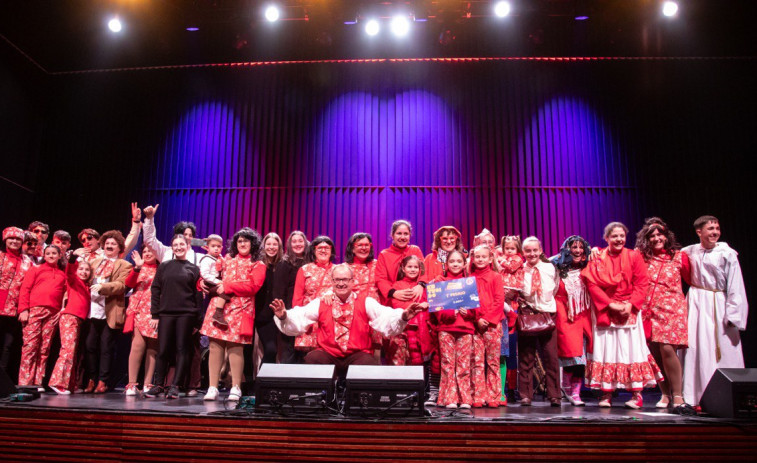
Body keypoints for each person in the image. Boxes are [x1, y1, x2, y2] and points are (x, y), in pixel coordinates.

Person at [271, 264, 427, 377]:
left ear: (353, 281)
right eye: (337, 280)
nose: (341, 283)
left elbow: (385, 316)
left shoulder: (366, 302)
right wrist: (284, 315)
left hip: (356, 354)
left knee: (369, 364)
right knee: (312, 359)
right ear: (332, 282)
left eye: (345, 279)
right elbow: (301, 315)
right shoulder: (322, 302)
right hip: (329, 354)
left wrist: (403, 316)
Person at [583, 222, 660, 409]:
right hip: (606, 308)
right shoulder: (598, 257)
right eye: (614, 236)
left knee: (631, 350)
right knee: (606, 349)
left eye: (622, 236)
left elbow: (642, 283)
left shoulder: (634, 256)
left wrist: (630, 305)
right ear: (606, 238)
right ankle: (606, 393)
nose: (618, 239)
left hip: (629, 309)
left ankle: (636, 394)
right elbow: (592, 284)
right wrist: (610, 304)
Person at [680, 215, 748, 407]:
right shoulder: (690, 251)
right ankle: (696, 396)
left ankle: (730, 397)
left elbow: (736, 286)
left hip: (718, 302)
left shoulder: (727, 254)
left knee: (724, 348)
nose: (715, 232)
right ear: (699, 232)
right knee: (696, 347)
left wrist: (734, 315)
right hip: (696, 302)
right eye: (710, 229)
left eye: (717, 228)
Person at [200, 228, 265, 402]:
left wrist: (229, 287)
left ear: (253, 243)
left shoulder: (258, 264)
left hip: (241, 309)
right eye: (239, 241)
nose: (242, 244)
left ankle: (236, 386)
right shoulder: (226, 259)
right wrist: (201, 282)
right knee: (215, 347)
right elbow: (211, 274)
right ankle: (212, 387)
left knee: (236, 348)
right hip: (220, 307)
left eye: (246, 241)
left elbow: (253, 287)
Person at [635, 218, 691, 409]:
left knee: (668, 349)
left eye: (660, 234)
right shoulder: (642, 256)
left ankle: (678, 395)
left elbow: (692, 279)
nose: (657, 238)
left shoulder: (679, 256)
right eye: (652, 235)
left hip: (671, 309)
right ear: (646, 239)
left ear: (667, 236)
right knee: (655, 354)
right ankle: (665, 394)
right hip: (649, 310)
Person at [145, 235, 203, 399]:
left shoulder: (194, 268)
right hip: (165, 314)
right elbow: (155, 290)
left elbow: (197, 296)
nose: (178, 247)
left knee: (182, 350)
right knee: (162, 350)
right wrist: (155, 314)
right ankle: (158, 385)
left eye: (181, 244)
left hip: (186, 314)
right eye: (175, 245)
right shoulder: (164, 267)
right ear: (171, 247)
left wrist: (198, 321)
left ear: (187, 246)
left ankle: (176, 386)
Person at [78, 230, 133, 394]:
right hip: (92, 310)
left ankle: (103, 381)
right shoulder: (94, 262)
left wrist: (103, 287)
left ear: (119, 248)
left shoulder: (125, 265)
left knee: (106, 347)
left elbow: (122, 286)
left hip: (110, 311)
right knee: (89, 346)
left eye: (113, 244)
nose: (109, 246)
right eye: (107, 243)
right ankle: (91, 379)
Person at [513, 237, 562, 407]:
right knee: (526, 357)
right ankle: (525, 395)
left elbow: (555, 287)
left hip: (548, 313)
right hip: (527, 314)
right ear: (523, 252)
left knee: (551, 357)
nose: (532, 253)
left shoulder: (550, 267)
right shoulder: (520, 269)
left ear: (540, 250)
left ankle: (554, 395)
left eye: (535, 250)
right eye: (528, 251)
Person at [552, 235, 594, 406]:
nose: (577, 251)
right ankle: (566, 388)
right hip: (565, 314)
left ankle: (575, 391)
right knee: (571, 352)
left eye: (580, 247)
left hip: (584, 314)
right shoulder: (557, 266)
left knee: (582, 354)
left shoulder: (589, 265)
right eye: (573, 247)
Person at [17, 245, 67, 389]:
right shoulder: (35, 269)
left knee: (44, 349)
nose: (51, 256)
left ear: (59, 256)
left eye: (54, 254)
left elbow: (65, 294)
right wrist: (23, 310)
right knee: (30, 347)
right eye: (48, 254)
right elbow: (25, 289)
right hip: (34, 311)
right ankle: (25, 382)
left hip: (52, 314)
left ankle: (38, 382)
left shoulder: (62, 274)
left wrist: (61, 310)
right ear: (44, 256)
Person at [432, 250, 475, 409]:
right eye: (452, 261)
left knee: (464, 365)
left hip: (465, 328)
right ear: (446, 264)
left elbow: (475, 307)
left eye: (459, 261)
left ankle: (465, 399)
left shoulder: (469, 282)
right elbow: (436, 308)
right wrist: (450, 313)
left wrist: (468, 312)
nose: (455, 264)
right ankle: (449, 398)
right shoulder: (439, 281)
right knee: (448, 364)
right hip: (446, 328)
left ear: (464, 264)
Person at [48, 256, 92, 395]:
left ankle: (70, 384)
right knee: (67, 350)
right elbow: (69, 271)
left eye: (87, 270)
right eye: (81, 269)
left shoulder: (87, 286)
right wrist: (73, 260)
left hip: (78, 320)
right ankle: (57, 382)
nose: (84, 272)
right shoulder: (73, 280)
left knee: (72, 352)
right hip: (69, 317)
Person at [469, 244, 505, 408]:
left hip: (492, 325)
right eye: (477, 257)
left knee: (493, 362)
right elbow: (469, 302)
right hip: (476, 325)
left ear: (490, 259)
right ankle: (478, 395)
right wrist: (477, 319)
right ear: (473, 259)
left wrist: (488, 319)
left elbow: (499, 301)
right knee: (477, 362)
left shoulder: (496, 277)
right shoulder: (469, 278)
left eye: (484, 257)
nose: (480, 259)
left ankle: (494, 395)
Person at [123, 246, 160, 396]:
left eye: (151, 251)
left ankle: (147, 383)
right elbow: (129, 284)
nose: (147, 253)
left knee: (152, 348)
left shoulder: (161, 268)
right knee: (137, 346)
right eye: (145, 251)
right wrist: (137, 268)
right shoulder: (138, 268)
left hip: (154, 312)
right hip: (138, 311)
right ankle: (131, 384)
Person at [0, 227, 35, 382]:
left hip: (14, 309)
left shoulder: (28, 262)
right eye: (11, 239)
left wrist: (24, 309)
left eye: (17, 239)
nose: (14, 242)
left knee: (8, 346)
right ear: (5, 240)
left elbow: (28, 288)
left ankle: (2, 380)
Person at [292, 236, 336, 352]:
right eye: (319, 248)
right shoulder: (305, 269)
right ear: (314, 251)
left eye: (327, 247)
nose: (323, 250)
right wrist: (298, 319)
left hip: (331, 318)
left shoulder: (339, 270)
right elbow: (298, 297)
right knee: (309, 358)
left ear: (331, 251)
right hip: (309, 319)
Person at [385, 256, 431, 366]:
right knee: (399, 360)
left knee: (416, 363)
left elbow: (431, 303)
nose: (413, 269)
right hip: (403, 329)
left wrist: (427, 305)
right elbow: (397, 304)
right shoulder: (397, 285)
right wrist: (420, 306)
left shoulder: (424, 286)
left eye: (416, 267)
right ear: (403, 269)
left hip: (420, 329)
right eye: (409, 266)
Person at [272, 231, 309, 363]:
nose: (298, 244)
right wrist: (283, 314)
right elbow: (278, 291)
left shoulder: (310, 262)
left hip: (307, 312)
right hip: (289, 311)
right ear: (289, 244)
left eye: (300, 241)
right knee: (289, 349)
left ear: (305, 243)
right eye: (294, 241)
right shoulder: (284, 263)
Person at [375, 220, 424, 305]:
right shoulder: (384, 254)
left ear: (409, 236)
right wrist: (394, 293)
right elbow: (380, 279)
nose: (402, 237)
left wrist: (421, 285)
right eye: (399, 233)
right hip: (393, 299)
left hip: (416, 296)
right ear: (392, 235)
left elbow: (424, 271)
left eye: (406, 234)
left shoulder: (415, 250)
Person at [254, 232, 285, 368]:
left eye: (275, 244)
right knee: (251, 351)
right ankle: (252, 385)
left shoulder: (282, 266)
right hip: (257, 313)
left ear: (279, 247)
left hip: (274, 315)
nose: (271, 247)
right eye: (268, 244)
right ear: (263, 246)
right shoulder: (256, 264)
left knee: (272, 350)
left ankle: (264, 385)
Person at [199, 234, 229, 327]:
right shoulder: (206, 259)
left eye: (218, 246)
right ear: (207, 247)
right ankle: (218, 314)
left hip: (217, 281)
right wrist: (218, 282)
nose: (216, 248)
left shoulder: (219, 258)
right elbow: (205, 274)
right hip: (210, 284)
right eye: (213, 246)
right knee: (225, 291)